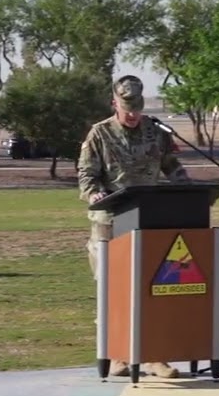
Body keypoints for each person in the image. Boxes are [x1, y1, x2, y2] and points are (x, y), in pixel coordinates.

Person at [78, 75, 191, 379]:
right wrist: (95, 194)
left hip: (150, 220)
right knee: (113, 290)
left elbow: (172, 166)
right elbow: (87, 176)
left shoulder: (157, 132)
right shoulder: (99, 134)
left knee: (153, 289)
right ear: (114, 102)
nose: (132, 113)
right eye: (127, 107)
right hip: (110, 223)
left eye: (137, 107)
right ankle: (117, 356)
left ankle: (155, 357)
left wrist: (187, 189)